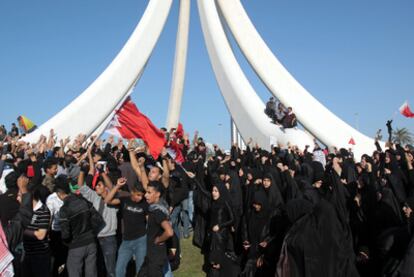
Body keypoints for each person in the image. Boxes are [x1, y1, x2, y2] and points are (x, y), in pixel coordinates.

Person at [105, 178, 149, 277]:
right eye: (138, 195)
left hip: (141, 240)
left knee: (141, 270)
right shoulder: (124, 200)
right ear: (132, 192)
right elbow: (107, 201)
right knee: (119, 270)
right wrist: (117, 186)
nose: (140, 198)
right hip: (126, 241)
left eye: (141, 195)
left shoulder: (145, 204)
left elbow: (149, 222)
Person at [58, 176, 98, 277]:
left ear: (59, 193)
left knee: (75, 273)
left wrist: (68, 242)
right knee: (91, 273)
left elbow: (65, 234)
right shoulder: (83, 201)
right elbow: (97, 219)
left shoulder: (64, 209)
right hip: (91, 242)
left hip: (76, 245)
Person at [138, 181, 174, 277]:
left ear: (157, 194)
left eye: (149, 193)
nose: (145, 195)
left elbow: (169, 232)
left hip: (156, 256)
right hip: (150, 255)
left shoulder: (157, 212)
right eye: (146, 192)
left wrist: (159, 239)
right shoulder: (154, 208)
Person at [22, 186, 51, 277]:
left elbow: (41, 235)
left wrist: (22, 231)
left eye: (21, 195)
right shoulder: (24, 210)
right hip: (26, 253)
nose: (18, 197)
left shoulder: (43, 211)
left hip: (39, 256)